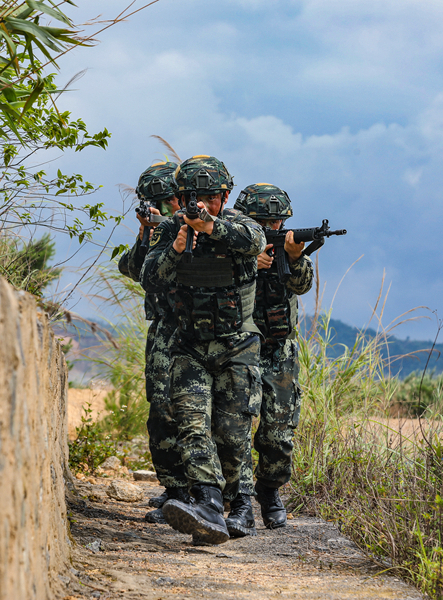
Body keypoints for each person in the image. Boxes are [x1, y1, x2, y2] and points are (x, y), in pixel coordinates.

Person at [140, 156, 266, 544]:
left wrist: (211, 227)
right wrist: (177, 247)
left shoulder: (241, 225)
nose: (204, 204)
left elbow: (253, 242)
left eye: (212, 197)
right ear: (179, 199)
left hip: (235, 346)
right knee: (192, 424)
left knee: (232, 430)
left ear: (225, 195)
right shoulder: (171, 230)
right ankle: (208, 506)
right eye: (194, 198)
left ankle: (241, 505)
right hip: (188, 346)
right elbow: (149, 278)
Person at [233, 183, 314, 529]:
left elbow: (303, 284)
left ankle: (269, 489)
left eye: (277, 222)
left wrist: (293, 257)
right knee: (233, 425)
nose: (273, 228)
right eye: (264, 222)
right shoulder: (232, 246)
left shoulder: (286, 246)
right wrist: (252, 262)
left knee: (278, 431)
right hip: (241, 344)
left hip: (279, 348)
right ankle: (238, 497)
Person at [117, 162, 189, 523]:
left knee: (200, 413)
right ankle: (175, 489)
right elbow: (132, 269)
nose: (165, 207)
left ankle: (207, 490)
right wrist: (147, 232)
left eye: (168, 201)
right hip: (164, 328)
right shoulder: (159, 230)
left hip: (201, 330)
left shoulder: (201, 224)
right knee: (161, 409)